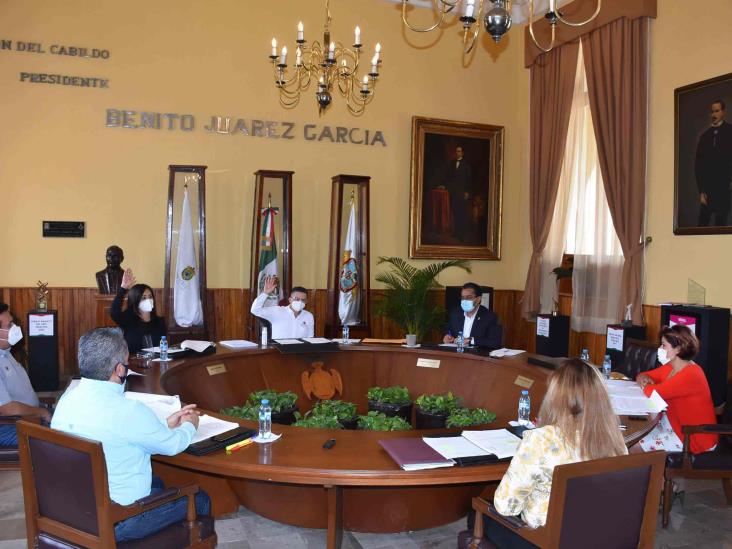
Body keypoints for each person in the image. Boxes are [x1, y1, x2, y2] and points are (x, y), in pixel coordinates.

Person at [51, 328, 210, 542]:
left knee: (158, 482)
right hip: (120, 519)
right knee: (200, 498)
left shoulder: (66, 399)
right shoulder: (129, 411)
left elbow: (121, 435)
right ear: (119, 369)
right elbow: (172, 445)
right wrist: (190, 424)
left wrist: (164, 424)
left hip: (75, 511)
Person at [470, 359, 627, 548]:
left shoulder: (542, 439)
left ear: (555, 398)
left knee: (476, 514)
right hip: (597, 536)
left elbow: (506, 506)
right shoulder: (614, 438)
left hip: (543, 540)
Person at [636, 325, 717, 454]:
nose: (660, 349)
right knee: (634, 438)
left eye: (664, 345)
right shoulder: (672, 367)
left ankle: (646, 474)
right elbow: (643, 375)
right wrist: (644, 379)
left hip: (694, 436)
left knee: (635, 448)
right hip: (675, 426)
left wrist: (648, 386)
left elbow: (655, 393)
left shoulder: (691, 374)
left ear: (678, 349)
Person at [0, 302, 51, 446]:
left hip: (29, 416)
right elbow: (5, 409)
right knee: (66, 437)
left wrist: (41, 410)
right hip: (9, 425)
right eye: (9, 325)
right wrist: (42, 413)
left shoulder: (5, 353)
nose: (15, 328)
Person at [111, 268, 167, 354]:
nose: (148, 300)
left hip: (155, 363)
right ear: (135, 301)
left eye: (150, 297)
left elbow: (163, 348)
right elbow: (114, 312)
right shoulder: (128, 320)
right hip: (133, 363)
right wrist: (123, 288)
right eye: (144, 298)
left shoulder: (160, 322)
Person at [695, 99, 732, 227]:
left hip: (724, 188)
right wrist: (701, 191)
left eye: (717, 111)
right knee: (702, 226)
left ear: (723, 112)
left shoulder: (730, 131)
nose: (714, 115)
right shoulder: (704, 136)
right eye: (712, 112)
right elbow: (698, 165)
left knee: (720, 227)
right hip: (707, 191)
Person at [444, 282, 502, 348]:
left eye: (468, 297)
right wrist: (448, 337)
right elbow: (449, 332)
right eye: (463, 298)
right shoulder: (455, 314)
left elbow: (495, 342)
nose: (465, 300)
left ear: (478, 299)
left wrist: (470, 340)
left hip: (478, 355)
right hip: (457, 354)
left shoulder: (489, 317)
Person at [442, 145, 473, 238]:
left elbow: (469, 180)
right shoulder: (452, 164)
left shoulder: (466, 165)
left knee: (462, 213)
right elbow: (449, 177)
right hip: (454, 192)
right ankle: (456, 233)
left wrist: (467, 192)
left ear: (462, 153)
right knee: (455, 212)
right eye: (456, 151)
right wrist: (445, 185)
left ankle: (462, 234)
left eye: (459, 151)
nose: (457, 153)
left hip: (462, 193)